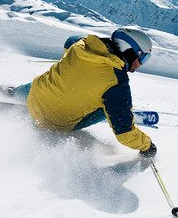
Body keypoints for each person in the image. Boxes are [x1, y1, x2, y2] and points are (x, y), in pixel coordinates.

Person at [11, 27, 157, 157]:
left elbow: (69, 41)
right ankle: (114, 113)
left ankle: (13, 92)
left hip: (34, 96)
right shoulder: (117, 82)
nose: (140, 64)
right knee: (107, 104)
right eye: (143, 58)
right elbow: (125, 134)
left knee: (53, 81)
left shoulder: (83, 44)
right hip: (52, 122)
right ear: (130, 51)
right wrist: (147, 146)